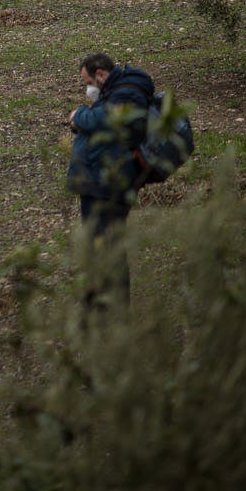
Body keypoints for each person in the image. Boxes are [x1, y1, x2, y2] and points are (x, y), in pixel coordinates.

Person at [66, 52, 155, 308]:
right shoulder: (118, 90)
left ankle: (108, 307)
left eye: (88, 82)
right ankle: (104, 303)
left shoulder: (127, 92)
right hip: (99, 181)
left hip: (107, 185)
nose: (88, 88)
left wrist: (79, 115)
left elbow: (103, 119)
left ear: (101, 74)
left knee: (106, 245)